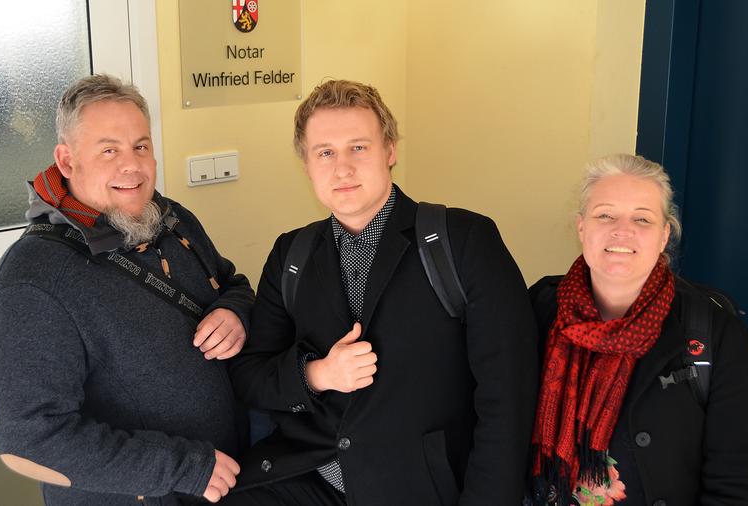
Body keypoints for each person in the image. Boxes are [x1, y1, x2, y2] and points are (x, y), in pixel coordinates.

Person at [226, 80, 539, 505]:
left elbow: (508, 398)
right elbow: (251, 375)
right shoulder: (291, 253)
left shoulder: (464, 241)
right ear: (306, 164)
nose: (342, 168)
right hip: (311, 479)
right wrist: (317, 375)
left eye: (358, 147)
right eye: (325, 152)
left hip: (419, 487)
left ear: (390, 151)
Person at [0, 74, 254, 505]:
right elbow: (28, 442)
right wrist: (183, 467)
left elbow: (232, 283)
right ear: (67, 161)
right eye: (109, 150)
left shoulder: (171, 218)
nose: (132, 166)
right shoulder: (31, 280)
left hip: (229, 480)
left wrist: (234, 311)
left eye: (141, 146)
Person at [527, 154, 748, 505]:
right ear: (581, 227)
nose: (622, 230)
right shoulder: (538, 312)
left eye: (642, 218)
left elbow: (736, 486)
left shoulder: (713, 331)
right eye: (605, 215)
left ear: (664, 234)